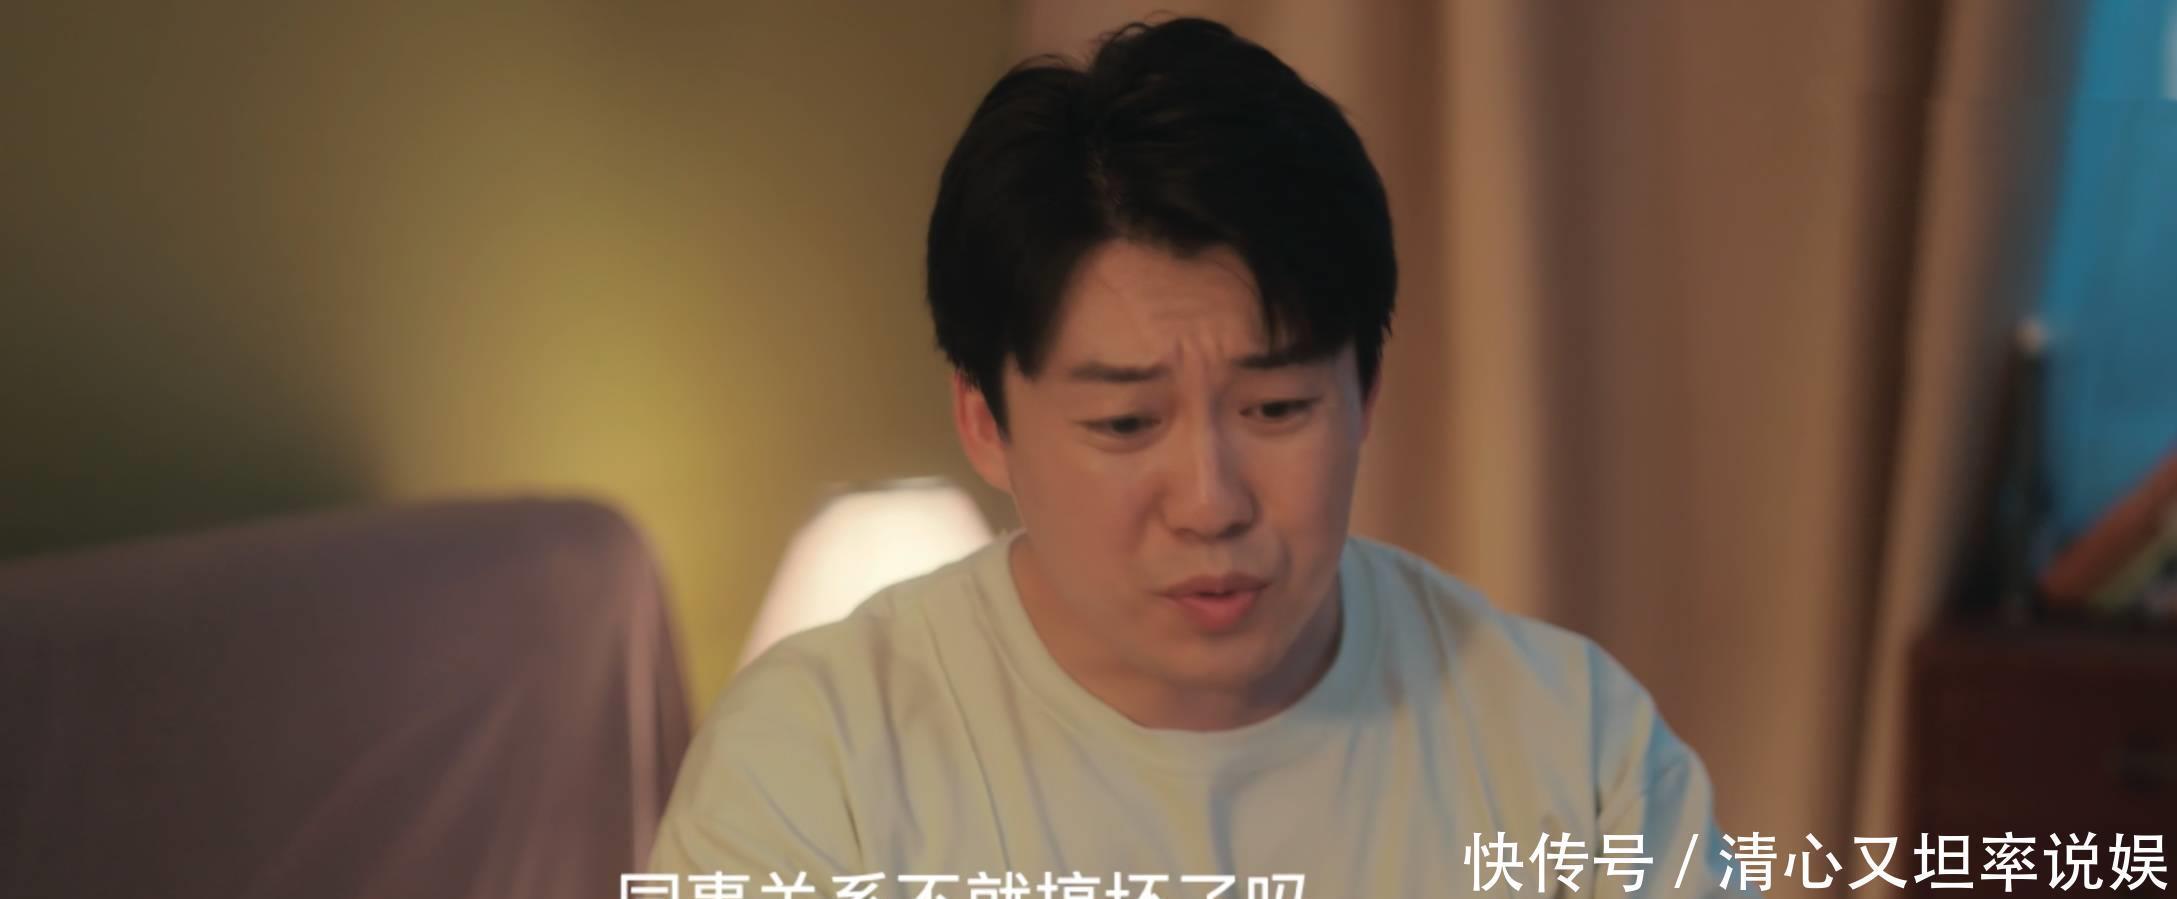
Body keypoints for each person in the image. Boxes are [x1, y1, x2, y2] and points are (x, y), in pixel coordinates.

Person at [650, 17, 1740, 897]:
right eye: (1126, 424)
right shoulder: (817, 767)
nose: (1210, 502)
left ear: (1364, 395)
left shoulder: (1569, 748)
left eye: (1275, 406)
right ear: (984, 421)